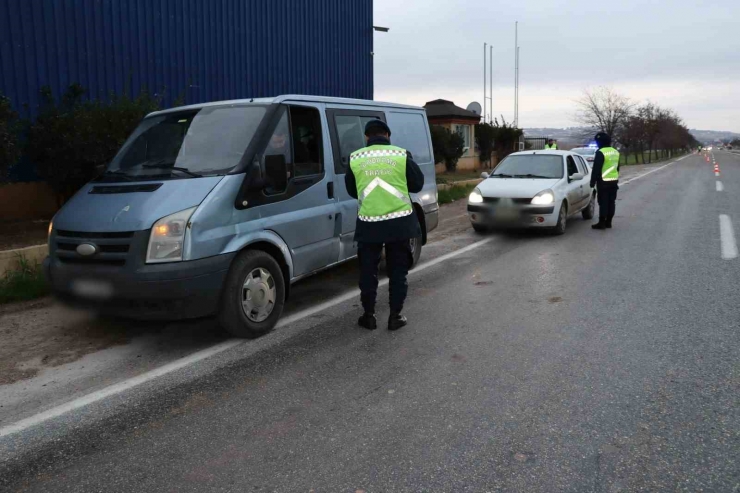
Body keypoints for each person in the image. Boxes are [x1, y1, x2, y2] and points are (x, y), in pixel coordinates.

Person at [344, 120, 424, 331]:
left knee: (368, 272)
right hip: (400, 224)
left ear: (367, 137)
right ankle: (395, 317)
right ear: (388, 135)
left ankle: (368, 316)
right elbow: (418, 184)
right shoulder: (401, 155)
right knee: (398, 271)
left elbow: (352, 191)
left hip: (369, 224)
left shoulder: (356, 158)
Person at [590, 132, 620, 230]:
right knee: (611, 202)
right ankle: (609, 222)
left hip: (603, 182)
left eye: (597, 141)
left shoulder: (601, 152)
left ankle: (601, 223)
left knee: (603, 202)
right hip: (614, 181)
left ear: (600, 142)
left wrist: (592, 182)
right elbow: (617, 167)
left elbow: (596, 169)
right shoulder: (615, 152)